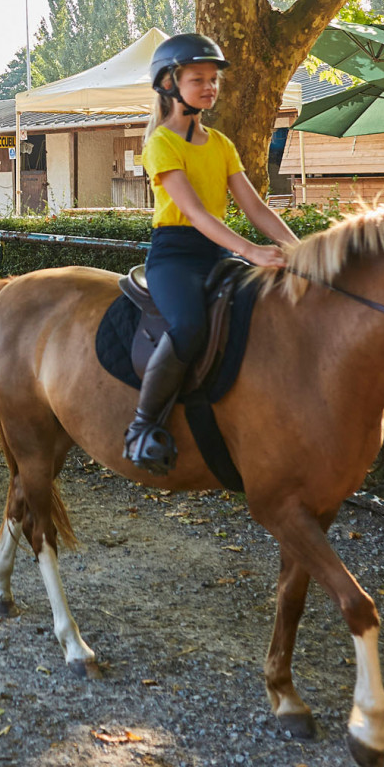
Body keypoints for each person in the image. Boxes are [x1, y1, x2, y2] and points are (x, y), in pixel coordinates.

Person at [122, 33, 301, 475]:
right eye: (198, 79)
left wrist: (300, 251)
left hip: (216, 254)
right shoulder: (161, 143)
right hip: (174, 256)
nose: (210, 87)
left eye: (214, 80)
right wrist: (249, 251)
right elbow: (197, 214)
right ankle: (142, 427)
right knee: (188, 326)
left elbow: (255, 206)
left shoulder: (221, 143)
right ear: (168, 84)